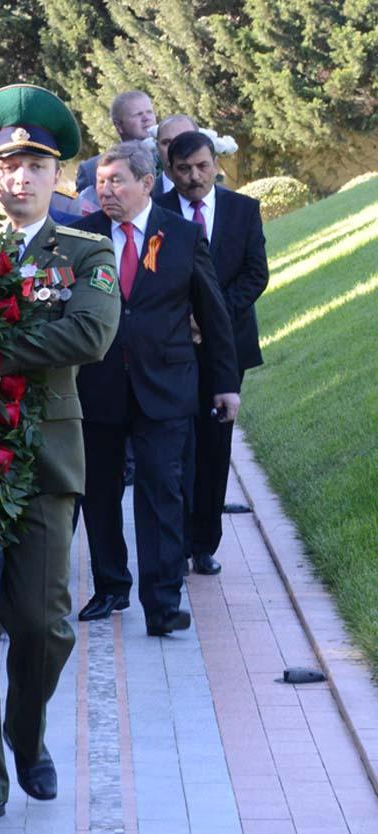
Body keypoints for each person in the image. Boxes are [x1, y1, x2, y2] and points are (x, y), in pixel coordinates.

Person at [0, 85, 121, 831]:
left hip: (44, 460)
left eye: (36, 166)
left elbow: (89, 336)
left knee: (44, 624)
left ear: (58, 176)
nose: (21, 178)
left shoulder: (85, 250)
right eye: (8, 165)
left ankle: (25, 732)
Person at [74, 142, 240, 634]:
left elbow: (213, 313)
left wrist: (225, 384)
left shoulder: (182, 235)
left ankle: (163, 603)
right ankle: (110, 586)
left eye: (117, 181)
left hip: (165, 387)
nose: (106, 191)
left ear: (147, 183)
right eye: (101, 183)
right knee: (99, 493)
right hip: (99, 386)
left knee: (162, 493)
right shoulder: (82, 237)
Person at [155, 130, 268, 574]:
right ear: (169, 171)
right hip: (173, 345)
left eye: (202, 166)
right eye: (183, 169)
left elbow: (255, 274)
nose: (194, 177)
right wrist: (184, 317)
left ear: (215, 164)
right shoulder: (157, 212)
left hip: (227, 348)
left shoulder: (243, 210)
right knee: (175, 443)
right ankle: (176, 541)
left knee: (215, 444)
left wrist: (211, 316)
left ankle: (204, 542)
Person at [75, 90, 158, 195]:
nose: (146, 118)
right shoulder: (91, 170)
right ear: (119, 126)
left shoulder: (170, 160)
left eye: (149, 112)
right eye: (138, 114)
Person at [152, 115, 197, 195]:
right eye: (166, 142)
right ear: (157, 148)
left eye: (185, 141)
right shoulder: (142, 196)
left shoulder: (221, 198)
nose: (175, 148)